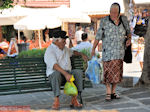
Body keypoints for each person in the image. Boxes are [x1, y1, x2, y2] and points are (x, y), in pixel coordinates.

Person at [91, 3, 131, 101]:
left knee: (116, 74)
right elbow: (98, 36)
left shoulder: (124, 20)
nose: (113, 14)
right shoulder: (104, 21)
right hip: (108, 52)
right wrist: (93, 49)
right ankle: (108, 92)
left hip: (119, 52)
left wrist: (129, 39)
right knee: (108, 73)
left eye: (115, 12)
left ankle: (113, 92)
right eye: (111, 12)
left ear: (118, 12)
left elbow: (129, 32)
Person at [44, 30, 88, 110]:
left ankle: (74, 99)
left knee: (77, 72)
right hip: (56, 75)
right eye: (63, 41)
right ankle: (56, 100)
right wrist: (66, 74)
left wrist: (81, 54)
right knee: (56, 74)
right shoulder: (50, 50)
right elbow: (54, 66)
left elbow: (73, 52)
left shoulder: (65, 49)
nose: (65, 43)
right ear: (56, 41)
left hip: (67, 74)